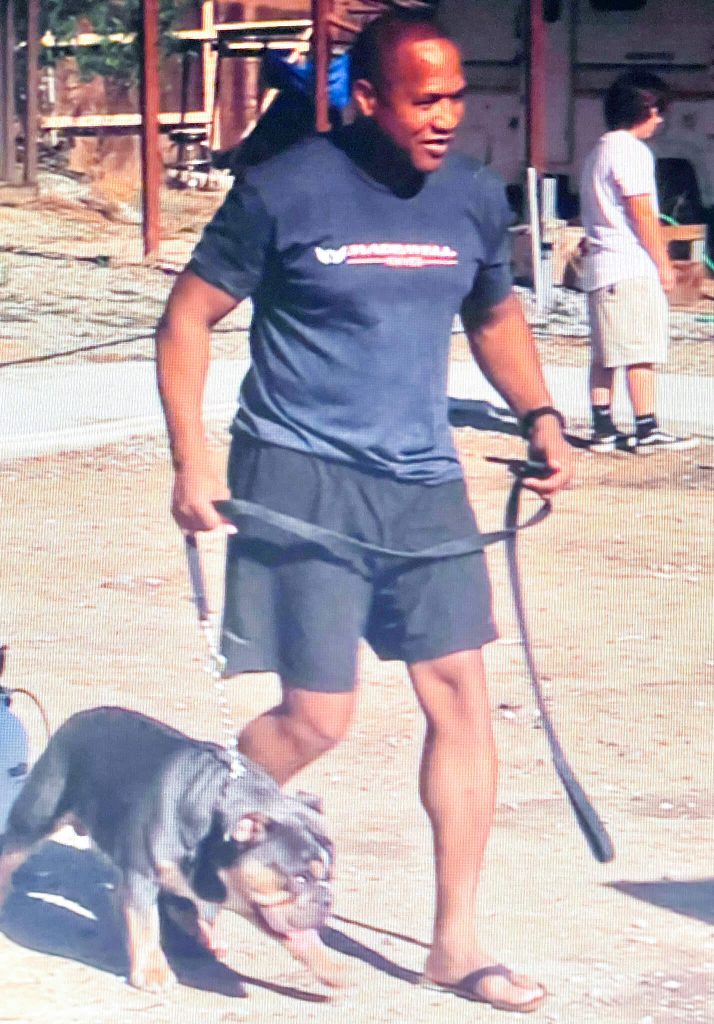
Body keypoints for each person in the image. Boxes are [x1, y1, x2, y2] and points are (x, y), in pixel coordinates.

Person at [156, 11, 573, 1013]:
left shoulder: (472, 197)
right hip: (303, 478)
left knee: (463, 701)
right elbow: (186, 318)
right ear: (369, 97)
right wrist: (192, 461)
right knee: (317, 716)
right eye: (422, 98)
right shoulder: (285, 189)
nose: (445, 116)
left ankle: (453, 943)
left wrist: (544, 413)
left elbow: (494, 313)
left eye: (455, 96)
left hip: (424, 482)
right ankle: (185, 847)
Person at [580, 70, 698, 453]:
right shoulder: (631, 151)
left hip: (601, 268)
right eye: (658, 110)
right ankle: (646, 428)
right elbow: (642, 212)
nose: (660, 119)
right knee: (640, 351)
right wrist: (663, 262)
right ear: (644, 109)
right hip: (628, 266)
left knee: (605, 352)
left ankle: (603, 427)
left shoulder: (598, 151)